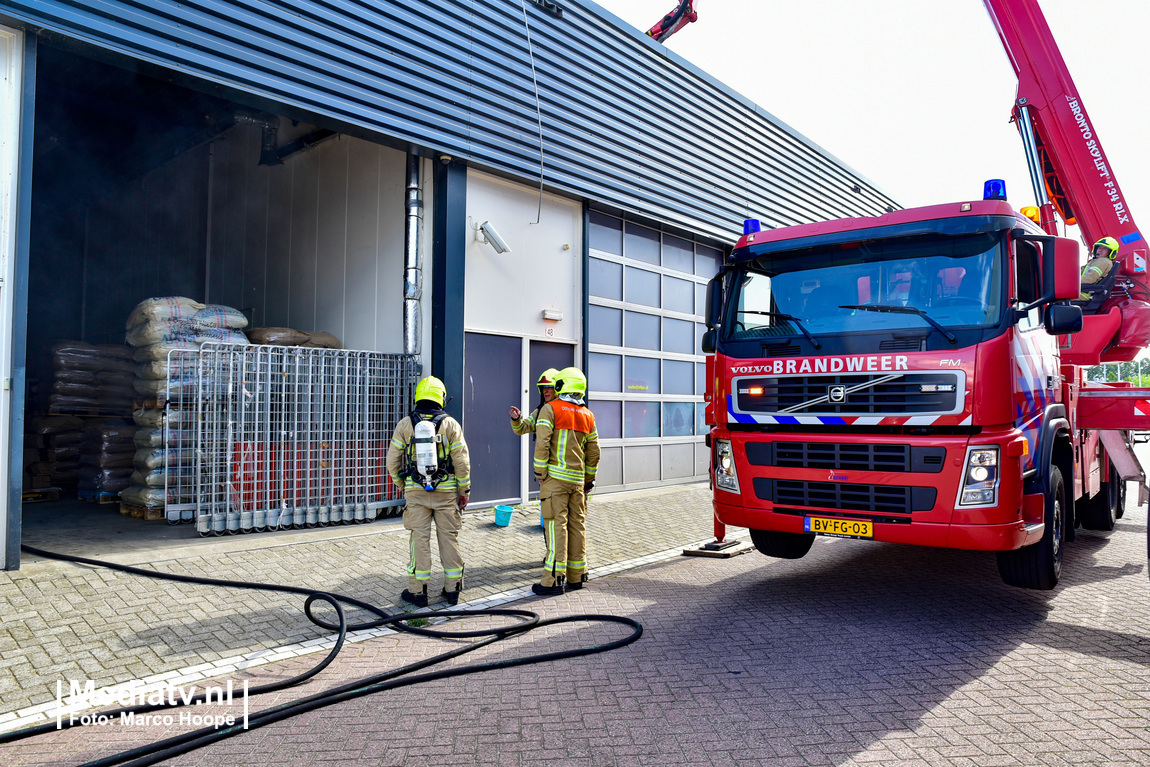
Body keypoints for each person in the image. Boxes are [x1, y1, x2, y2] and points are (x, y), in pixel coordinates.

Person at [385, 376, 471, 607]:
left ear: (418, 397)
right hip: (445, 492)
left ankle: (418, 591)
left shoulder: (405, 424)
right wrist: (464, 491)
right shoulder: (451, 424)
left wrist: (403, 485)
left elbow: (392, 461)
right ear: (441, 397)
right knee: (449, 538)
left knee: (419, 539)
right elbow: (461, 462)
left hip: (416, 492)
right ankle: (452, 589)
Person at [531, 366, 600, 596]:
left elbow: (542, 444)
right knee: (577, 526)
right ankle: (577, 576)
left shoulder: (551, 409)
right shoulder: (588, 415)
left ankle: (553, 580)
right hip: (578, 482)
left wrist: (540, 474)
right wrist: (588, 479)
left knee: (555, 526)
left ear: (563, 385)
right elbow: (594, 453)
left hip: (555, 481)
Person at [509, 368, 560, 435]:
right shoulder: (540, 411)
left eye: (549, 387)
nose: (545, 391)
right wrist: (516, 419)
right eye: (543, 387)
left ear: (557, 389)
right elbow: (521, 429)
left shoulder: (565, 409)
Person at [1079, 236, 1121, 301]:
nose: (1100, 250)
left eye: (1104, 249)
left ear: (1111, 252)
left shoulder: (1103, 261)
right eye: (1099, 247)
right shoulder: (1094, 261)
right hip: (1079, 291)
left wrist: (1069, 283)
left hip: (1083, 294)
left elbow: (1089, 279)